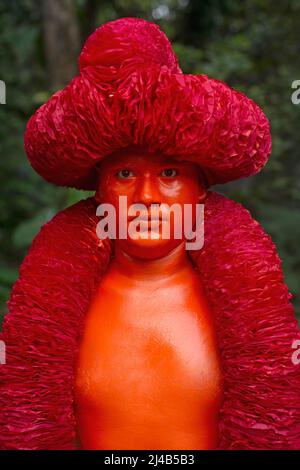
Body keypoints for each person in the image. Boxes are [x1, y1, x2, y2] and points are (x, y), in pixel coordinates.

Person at [0, 17, 299, 450]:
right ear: (98, 188)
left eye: (170, 173)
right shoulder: (57, 305)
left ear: (201, 187)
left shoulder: (242, 304)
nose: (146, 196)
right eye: (125, 174)